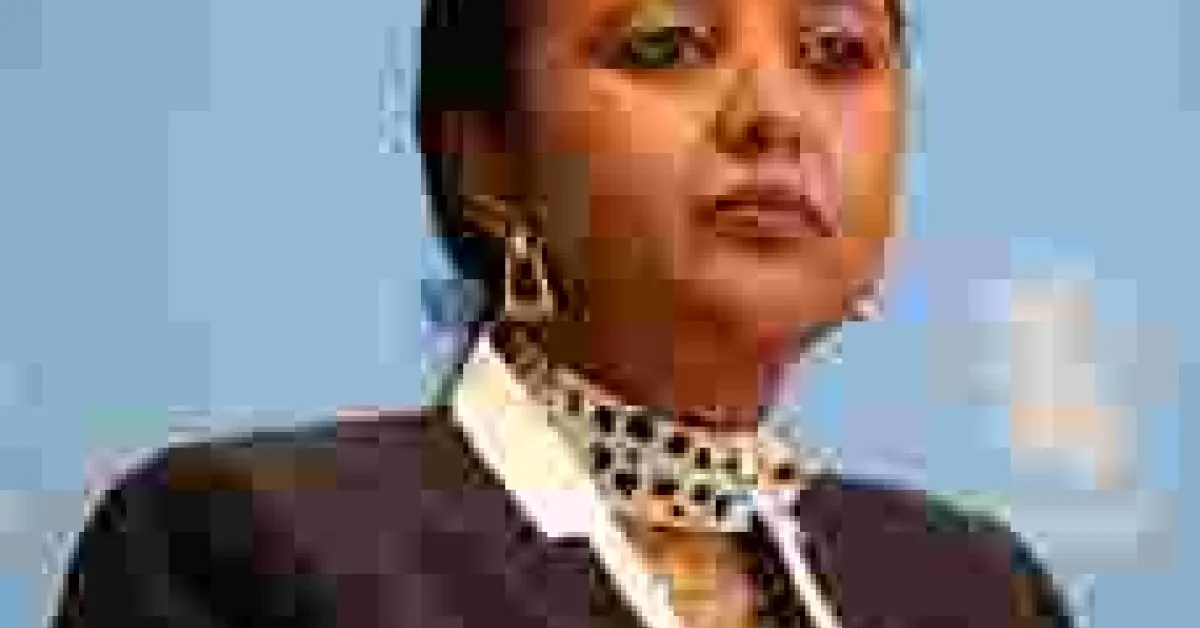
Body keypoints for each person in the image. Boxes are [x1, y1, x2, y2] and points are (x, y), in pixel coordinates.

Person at [51, 1, 1075, 626]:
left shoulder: (976, 590)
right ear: (488, 164)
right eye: (668, 45)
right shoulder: (251, 549)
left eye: (838, 52)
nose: (773, 113)